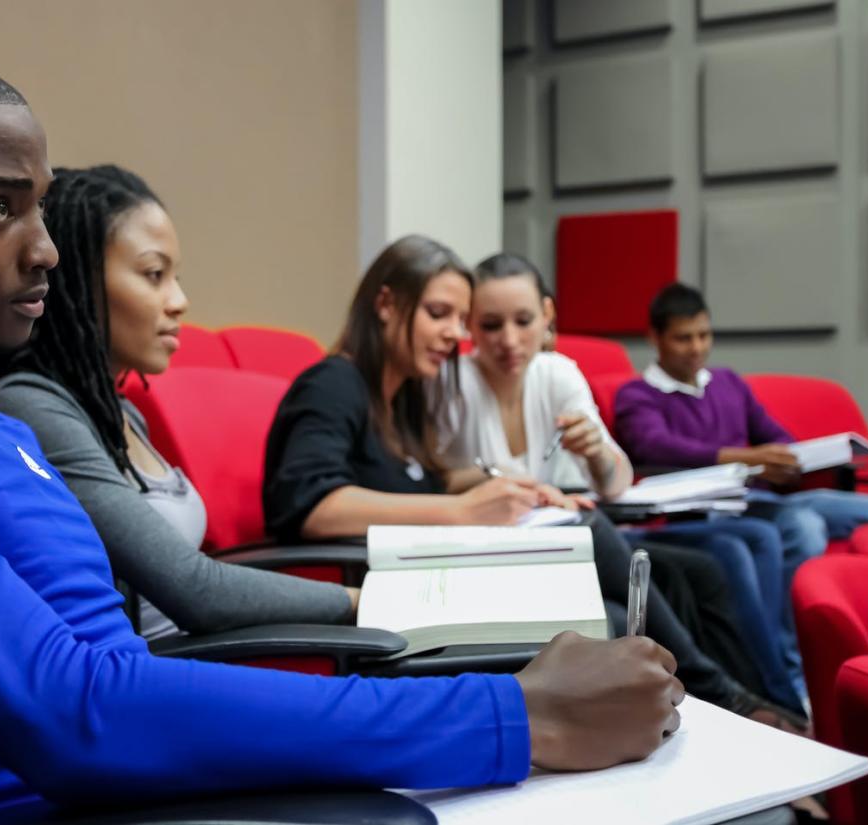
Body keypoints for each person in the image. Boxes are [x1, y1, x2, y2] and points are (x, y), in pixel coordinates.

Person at [0, 54, 681, 824]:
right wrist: (510, 714)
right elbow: (68, 711)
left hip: (128, 773)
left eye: (37, 205)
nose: (44, 248)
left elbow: (114, 676)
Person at [261, 237, 780, 721]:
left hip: (423, 574)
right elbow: (310, 505)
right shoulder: (335, 382)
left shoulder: (395, 402)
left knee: (619, 604)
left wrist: (509, 488)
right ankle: (715, 695)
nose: (454, 334)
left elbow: (421, 489)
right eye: (440, 314)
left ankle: (710, 705)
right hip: (399, 594)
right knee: (596, 545)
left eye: (460, 319)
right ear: (386, 305)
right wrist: (463, 511)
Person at [0, 164, 354, 640]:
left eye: (175, 277)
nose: (179, 301)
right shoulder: (32, 409)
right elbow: (198, 592)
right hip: (144, 682)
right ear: (76, 278)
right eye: (154, 275)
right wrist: (367, 602)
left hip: (197, 662)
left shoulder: (121, 411)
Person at [435, 252, 804, 717]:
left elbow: (616, 481)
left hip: (559, 539)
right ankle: (720, 692)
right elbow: (437, 476)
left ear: (547, 316)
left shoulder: (557, 372)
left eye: (523, 321)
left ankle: (745, 697)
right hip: (500, 542)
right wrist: (517, 486)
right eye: (490, 326)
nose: (509, 340)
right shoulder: (453, 383)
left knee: (701, 572)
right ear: (470, 324)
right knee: (600, 538)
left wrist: (595, 452)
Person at [615, 283, 868, 694]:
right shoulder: (636, 394)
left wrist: (797, 458)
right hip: (712, 505)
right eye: (683, 337)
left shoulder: (727, 383)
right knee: (804, 525)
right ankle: (794, 663)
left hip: (767, 493)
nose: (696, 348)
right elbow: (655, 445)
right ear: (655, 338)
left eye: (704, 335)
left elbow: (774, 435)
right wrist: (744, 458)